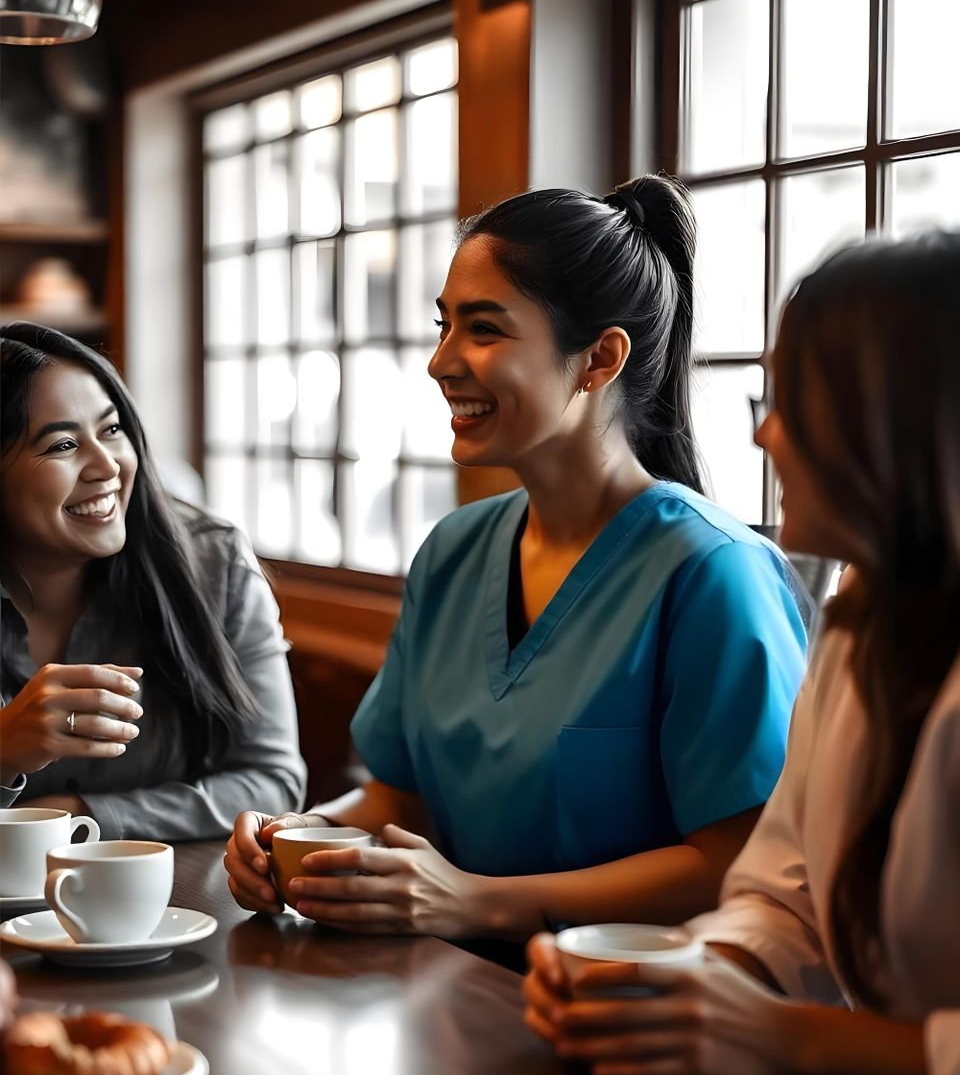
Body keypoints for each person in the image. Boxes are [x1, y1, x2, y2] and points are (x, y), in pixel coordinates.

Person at [224, 175, 808, 941]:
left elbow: (741, 866)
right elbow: (398, 800)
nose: (441, 362)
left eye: (484, 329)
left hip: (622, 1018)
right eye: (443, 326)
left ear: (599, 359)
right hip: (442, 1001)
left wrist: (482, 901)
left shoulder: (713, 573)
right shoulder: (454, 552)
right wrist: (292, 839)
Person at [522, 232, 960, 1075]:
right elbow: (784, 892)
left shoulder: (717, 569)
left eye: (797, 403)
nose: (764, 432)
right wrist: (669, 979)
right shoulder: (858, 632)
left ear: (914, 426)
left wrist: (781, 1037)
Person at [0, 323, 306, 840]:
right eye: (63, 444)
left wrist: (87, 814)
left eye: (112, 429)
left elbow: (272, 781)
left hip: (178, 908)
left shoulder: (215, 565)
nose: (106, 466)